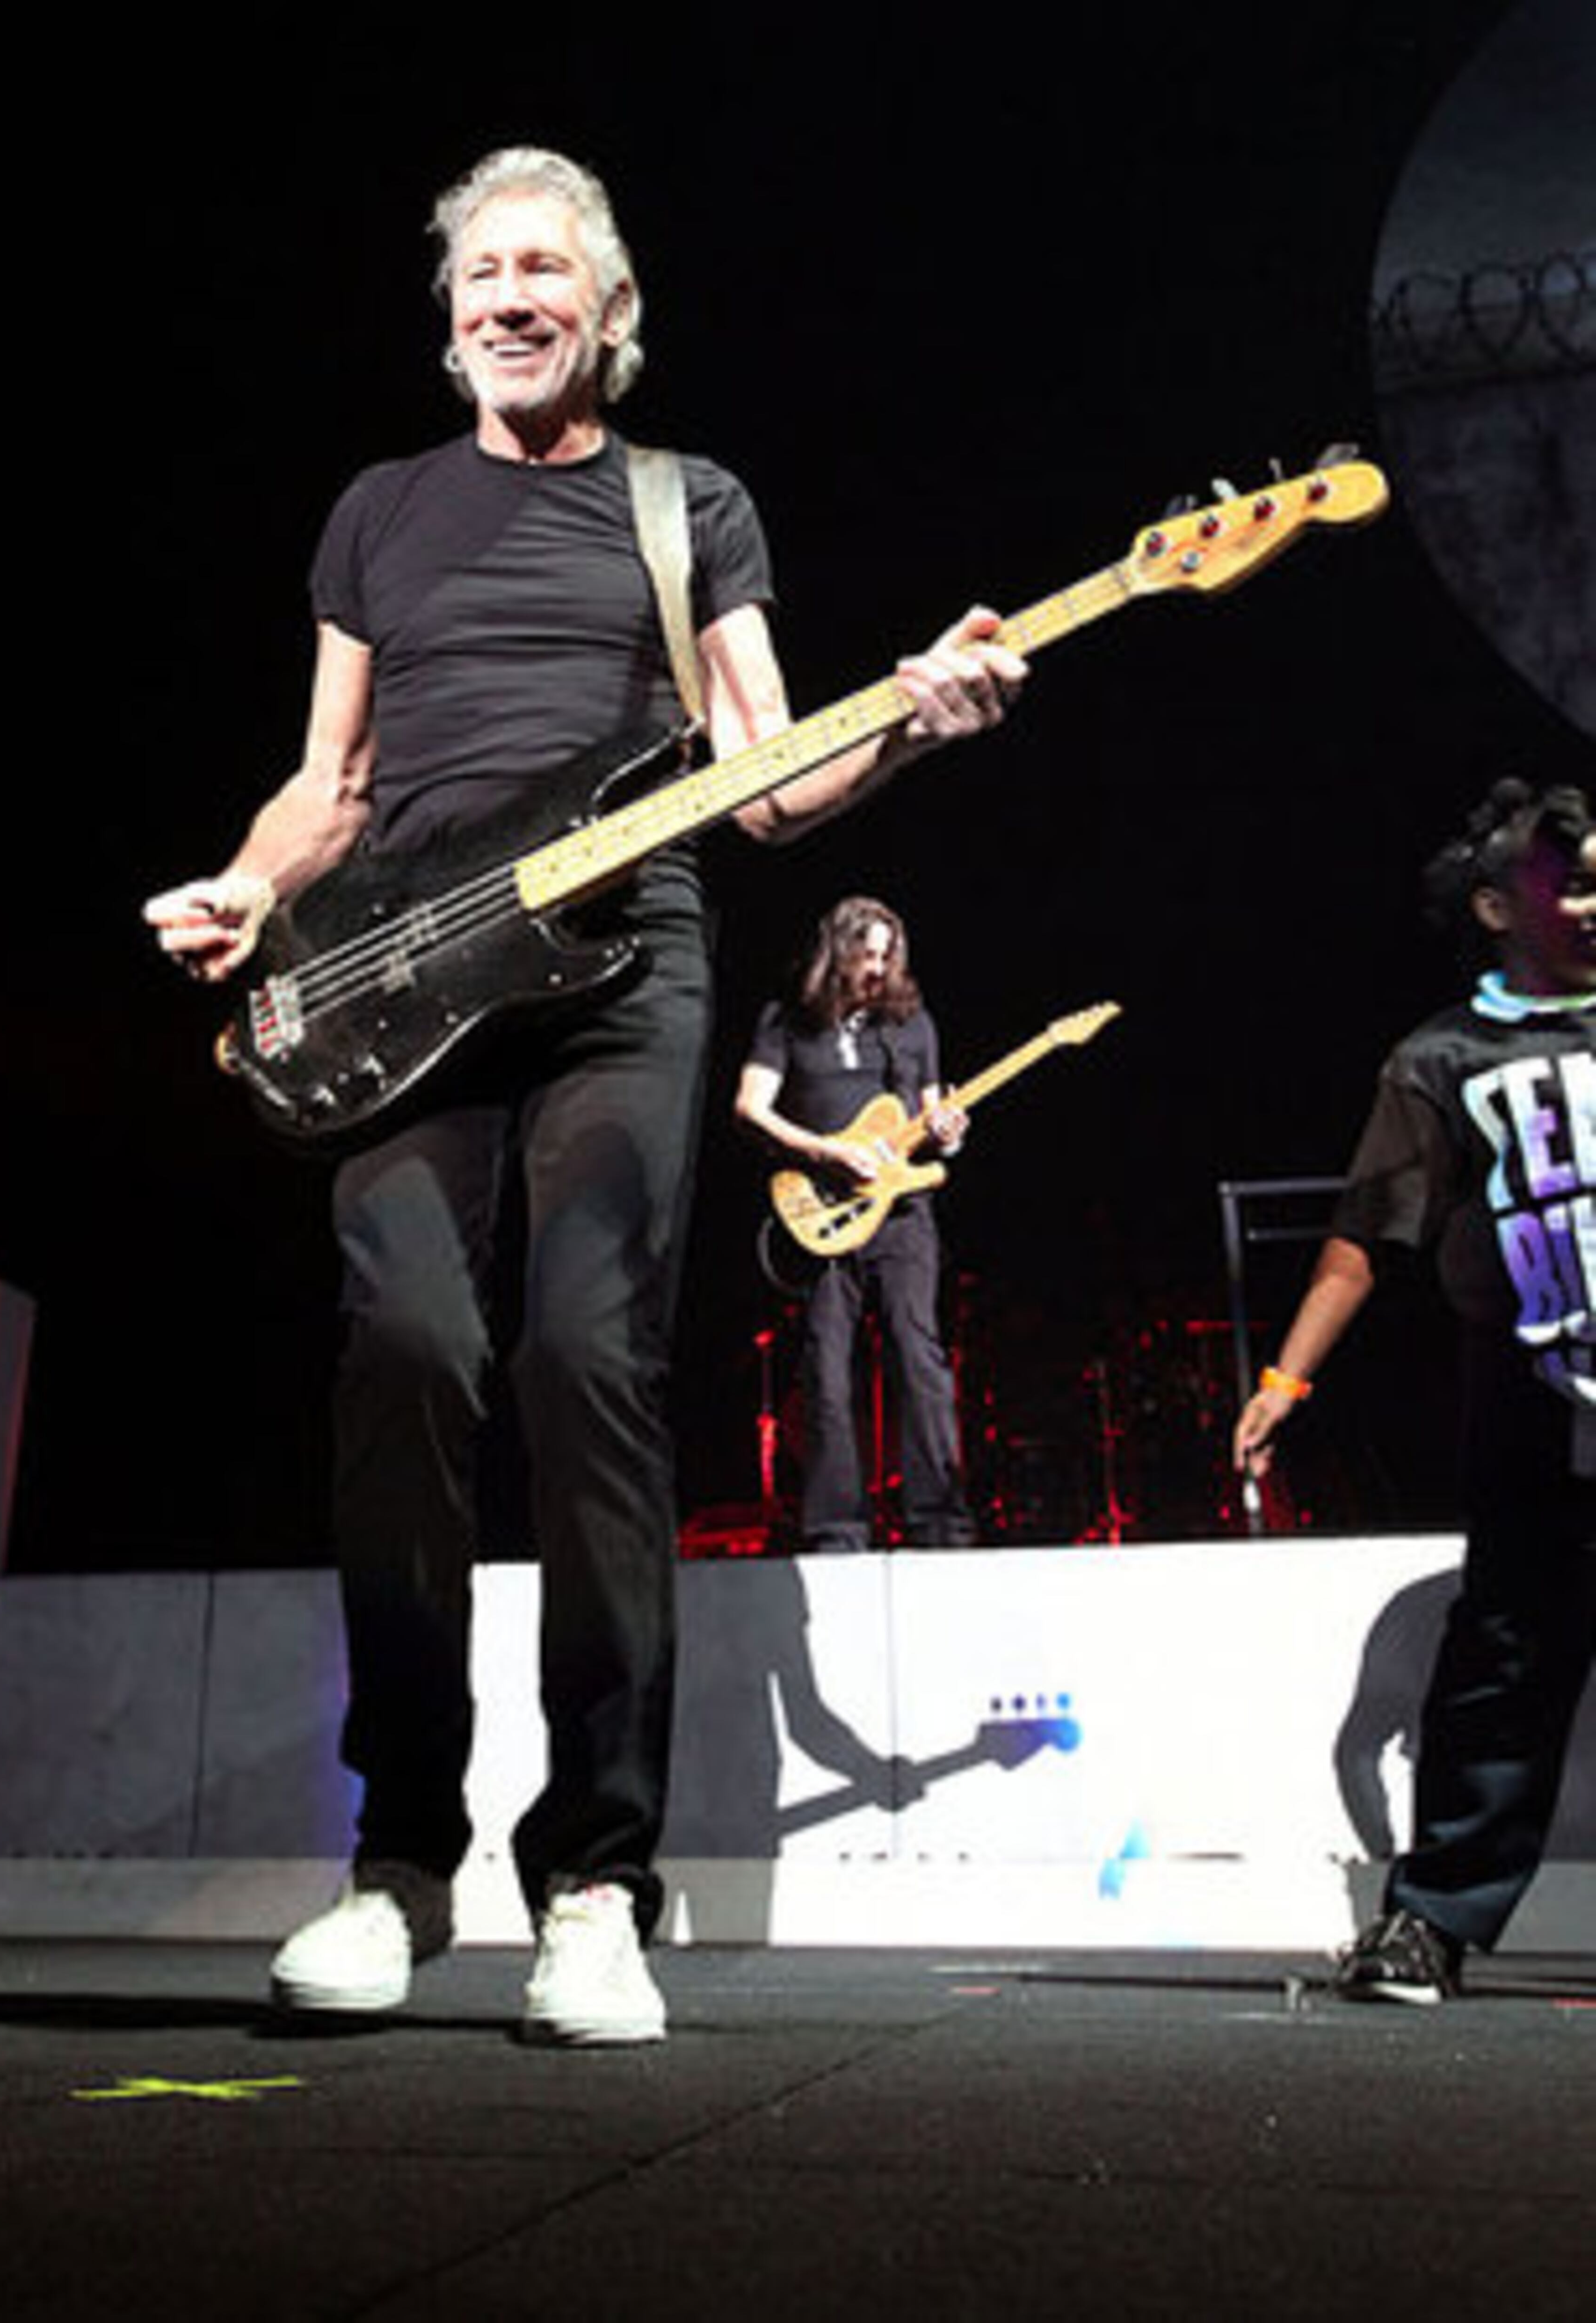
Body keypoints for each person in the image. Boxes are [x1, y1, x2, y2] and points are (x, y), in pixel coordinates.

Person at [143, 147, 1025, 2043]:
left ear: (609, 311)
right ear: (451, 309)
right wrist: (243, 878)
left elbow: (769, 774)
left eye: (548, 269)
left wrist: (904, 719)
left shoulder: (684, 501)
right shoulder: (379, 511)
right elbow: (334, 782)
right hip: (403, 982)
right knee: (405, 1346)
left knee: (586, 1361)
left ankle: (600, 1882)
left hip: (631, 976)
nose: (510, 295)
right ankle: (397, 1868)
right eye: (483, 270)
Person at [1234, 776, 1594, 2003]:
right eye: (1572, 884)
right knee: (1506, 1654)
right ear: (1498, 907)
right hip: (1534, 1397)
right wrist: (1288, 1374)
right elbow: (1366, 1233)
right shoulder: (1443, 1058)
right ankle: (1430, 1920)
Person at [735, 896, 979, 1554]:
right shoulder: (786, 1020)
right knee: (827, 1367)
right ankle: (836, 1529)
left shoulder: (911, 1025)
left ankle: (940, 1521)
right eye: (865, 955)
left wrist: (948, 1134)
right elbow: (749, 1108)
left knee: (919, 1355)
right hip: (824, 1210)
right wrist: (823, 1150)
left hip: (902, 1214)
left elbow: (931, 1116)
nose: (877, 969)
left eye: (886, 957)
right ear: (836, 953)